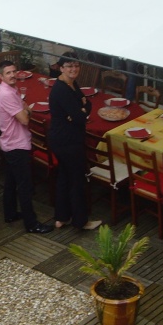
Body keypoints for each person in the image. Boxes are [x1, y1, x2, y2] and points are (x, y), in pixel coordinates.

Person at [0, 60, 53, 234]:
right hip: (17, 145)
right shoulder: (6, 94)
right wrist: (25, 110)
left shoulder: (10, 90)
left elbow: (25, 108)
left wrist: (24, 109)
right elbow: (25, 118)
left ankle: (10, 213)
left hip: (10, 143)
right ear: (1, 76)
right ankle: (31, 223)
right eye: (8, 73)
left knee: (11, 181)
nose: (12, 75)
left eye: (14, 71)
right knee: (25, 186)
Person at [48, 53, 102, 231]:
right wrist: (80, 110)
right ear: (61, 68)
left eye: (76, 65)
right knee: (77, 180)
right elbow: (80, 116)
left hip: (63, 138)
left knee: (64, 177)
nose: (74, 69)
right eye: (69, 66)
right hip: (68, 141)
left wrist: (81, 109)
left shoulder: (71, 83)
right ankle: (81, 221)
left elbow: (88, 106)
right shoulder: (62, 89)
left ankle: (61, 217)